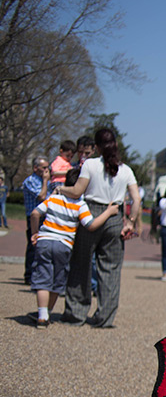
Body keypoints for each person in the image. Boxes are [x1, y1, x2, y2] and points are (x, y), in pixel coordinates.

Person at [60, 127, 142, 328]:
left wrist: (61, 188)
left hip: (90, 213)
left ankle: (76, 312)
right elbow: (137, 198)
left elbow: (78, 190)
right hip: (115, 216)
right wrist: (130, 222)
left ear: (96, 146)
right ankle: (104, 316)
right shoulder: (126, 170)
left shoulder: (90, 164)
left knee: (81, 263)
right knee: (111, 269)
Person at [30, 168, 118, 327]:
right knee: (57, 280)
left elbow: (35, 214)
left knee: (43, 277)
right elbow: (91, 225)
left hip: (44, 241)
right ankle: (48, 312)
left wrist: (35, 233)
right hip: (64, 245)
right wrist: (108, 212)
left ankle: (42, 315)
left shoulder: (54, 199)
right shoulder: (80, 205)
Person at [21, 157, 51, 284]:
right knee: (33, 245)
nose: (46, 170)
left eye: (47, 167)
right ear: (35, 168)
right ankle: (29, 275)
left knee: (44, 247)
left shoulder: (48, 182)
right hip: (34, 217)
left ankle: (40, 274)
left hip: (45, 216)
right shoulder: (30, 181)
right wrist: (45, 181)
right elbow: (42, 196)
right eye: (44, 167)